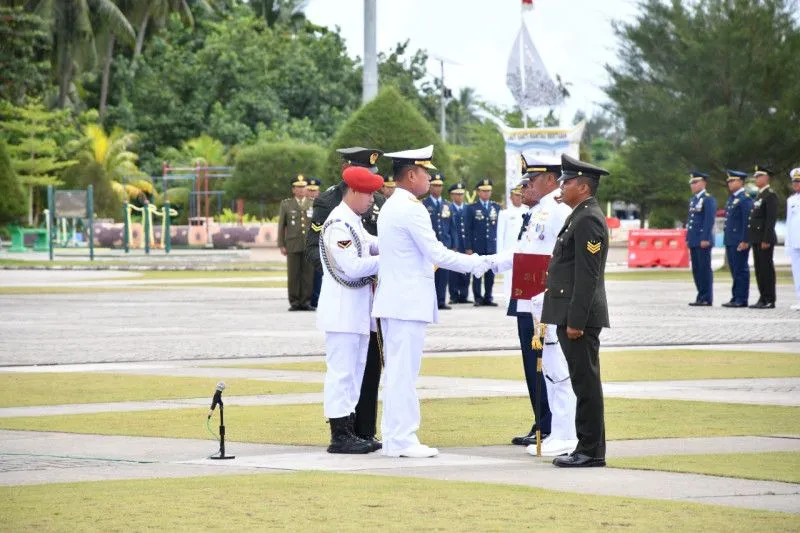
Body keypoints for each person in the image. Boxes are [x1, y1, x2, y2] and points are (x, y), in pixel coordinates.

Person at [372, 145, 488, 458]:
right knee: (403, 375)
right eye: (426, 172)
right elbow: (437, 253)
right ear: (411, 174)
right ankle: (403, 439)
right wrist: (479, 263)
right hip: (407, 303)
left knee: (397, 374)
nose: (430, 178)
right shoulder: (411, 208)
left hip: (397, 301)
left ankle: (395, 437)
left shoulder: (392, 204)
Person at [492, 157, 577, 455]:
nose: (527, 185)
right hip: (527, 297)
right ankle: (543, 421)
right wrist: (483, 264)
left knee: (550, 366)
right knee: (534, 365)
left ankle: (552, 425)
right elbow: (521, 253)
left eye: (533, 179)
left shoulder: (558, 211)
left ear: (551, 180)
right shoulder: (537, 212)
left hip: (545, 299)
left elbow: (562, 257)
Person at [305, 147, 385, 448]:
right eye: (367, 194)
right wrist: (389, 261)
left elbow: (371, 243)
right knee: (341, 373)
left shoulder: (352, 220)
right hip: (342, 312)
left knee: (354, 371)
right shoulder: (339, 222)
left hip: (356, 311)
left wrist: (392, 246)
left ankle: (351, 429)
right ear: (352, 191)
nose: (371, 200)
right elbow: (352, 267)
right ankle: (339, 434)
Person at [541, 154, 610, 468]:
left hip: (578, 317)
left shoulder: (588, 219)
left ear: (582, 186)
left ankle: (590, 450)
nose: (561, 186)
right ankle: (588, 447)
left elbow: (587, 275)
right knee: (583, 382)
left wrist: (577, 321)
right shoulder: (579, 215)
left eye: (567, 181)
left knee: (585, 384)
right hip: (569, 313)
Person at [278, 175, 314, 311]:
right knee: (293, 274)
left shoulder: (312, 203)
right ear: (293, 189)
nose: (301, 189)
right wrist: (281, 244)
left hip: (308, 244)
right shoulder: (286, 204)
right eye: (298, 187)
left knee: (308, 274)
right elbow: (281, 226)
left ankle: (306, 301)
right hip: (293, 244)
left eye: (303, 187)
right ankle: (294, 301)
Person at [465, 179, 501, 306]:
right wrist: (468, 247)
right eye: (483, 191)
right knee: (477, 273)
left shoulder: (496, 207)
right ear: (478, 192)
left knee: (490, 274)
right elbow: (468, 229)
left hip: (491, 245)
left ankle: (488, 297)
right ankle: (478, 298)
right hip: (477, 246)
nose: (486, 193)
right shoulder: (472, 208)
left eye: (488, 191)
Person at [747, 165, 778, 309]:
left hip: (764, 238)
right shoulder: (759, 195)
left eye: (759, 176)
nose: (756, 179)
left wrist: (766, 239)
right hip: (756, 238)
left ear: (766, 178)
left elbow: (770, 219)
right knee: (759, 270)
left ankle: (770, 299)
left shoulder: (770, 195)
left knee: (766, 269)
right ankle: (762, 297)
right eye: (755, 176)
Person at [721, 170, 753, 308]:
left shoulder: (745, 199)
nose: (729, 183)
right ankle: (735, 297)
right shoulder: (732, 199)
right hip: (731, 239)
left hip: (740, 240)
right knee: (734, 270)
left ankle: (741, 298)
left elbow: (747, 221)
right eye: (728, 181)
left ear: (740, 182)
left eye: (732, 180)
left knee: (741, 270)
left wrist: (745, 240)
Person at [423, 173, 454, 310]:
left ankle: (441, 300)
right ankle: (430, 302)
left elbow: (452, 226)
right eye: (435, 185)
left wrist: (454, 244)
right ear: (430, 187)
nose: (438, 188)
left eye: (440, 186)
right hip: (429, 245)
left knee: (443, 275)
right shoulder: (424, 204)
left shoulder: (447, 204)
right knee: (430, 275)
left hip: (444, 244)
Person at [685, 171, 717, 306]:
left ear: (703, 183)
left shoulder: (708, 199)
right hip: (694, 239)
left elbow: (708, 220)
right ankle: (700, 295)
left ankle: (706, 297)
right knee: (697, 270)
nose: (692, 185)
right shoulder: (693, 200)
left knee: (704, 269)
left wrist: (705, 238)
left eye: (695, 182)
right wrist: (688, 238)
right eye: (691, 183)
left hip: (703, 240)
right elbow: (691, 221)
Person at [496, 186, 527, 304]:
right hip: (508, 251)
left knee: (523, 276)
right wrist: (499, 254)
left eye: (520, 195)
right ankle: (509, 300)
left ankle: (521, 300)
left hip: (523, 250)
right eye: (516, 195)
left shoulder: (528, 211)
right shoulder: (505, 213)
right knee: (509, 276)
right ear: (511, 197)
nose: (518, 198)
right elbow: (500, 234)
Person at [447, 181, 471, 304]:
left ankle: (464, 296)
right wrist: (451, 245)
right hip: (454, 245)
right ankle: (454, 295)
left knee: (466, 270)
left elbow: (471, 228)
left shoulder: (468, 208)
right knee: (453, 271)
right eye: (457, 194)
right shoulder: (448, 208)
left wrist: (470, 246)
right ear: (452, 195)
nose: (460, 196)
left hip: (466, 244)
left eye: (462, 194)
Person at [306, 178, 323, 309]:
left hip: (318, 243)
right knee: (306, 275)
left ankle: (316, 299)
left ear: (318, 191)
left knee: (318, 274)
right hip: (305, 244)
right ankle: (306, 299)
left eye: (314, 190)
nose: (312, 193)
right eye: (310, 190)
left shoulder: (323, 204)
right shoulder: (302, 204)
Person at [786, 168, 800, 311]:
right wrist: (788, 245)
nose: (795, 184)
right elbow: (789, 223)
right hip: (795, 242)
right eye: (794, 181)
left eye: (798, 181)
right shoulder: (791, 200)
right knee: (797, 272)